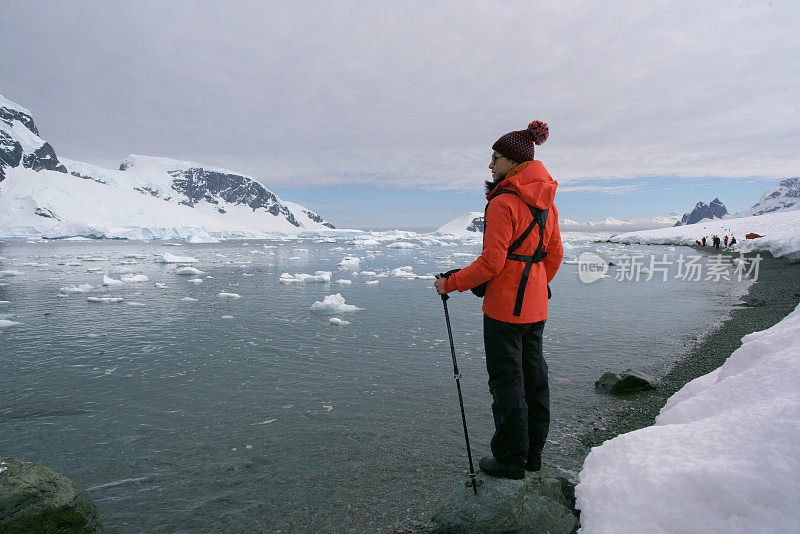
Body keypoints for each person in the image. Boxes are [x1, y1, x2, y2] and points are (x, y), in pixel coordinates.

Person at [433, 120, 564, 480]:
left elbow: (492, 263)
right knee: (535, 380)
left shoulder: (504, 201)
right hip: (536, 308)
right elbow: (554, 255)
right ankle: (532, 457)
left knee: (507, 384)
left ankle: (509, 460)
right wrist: (536, 283)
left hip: (504, 311)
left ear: (513, 161)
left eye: (496, 157)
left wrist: (451, 283)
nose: (491, 165)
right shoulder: (546, 203)